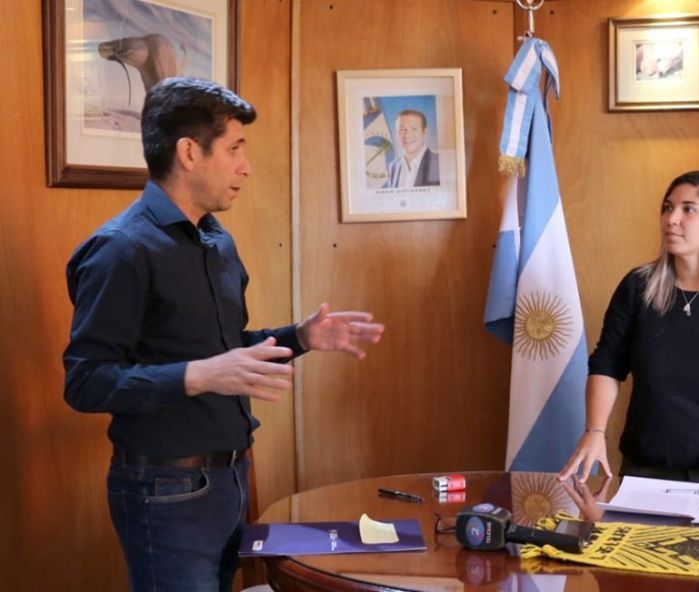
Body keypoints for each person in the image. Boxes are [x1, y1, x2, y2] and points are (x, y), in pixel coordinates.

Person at [63, 77, 386, 592]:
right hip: (163, 490)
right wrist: (198, 375)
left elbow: (224, 355)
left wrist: (301, 337)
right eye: (235, 149)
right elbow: (85, 382)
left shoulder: (217, 241)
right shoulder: (121, 249)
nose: (246, 166)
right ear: (190, 153)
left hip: (229, 479)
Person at [558, 170, 699, 487]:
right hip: (646, 469)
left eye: (688, 209)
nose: (671, 219)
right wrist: (595, 431)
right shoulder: (637, 287)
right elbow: (607, 364)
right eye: (667, 208)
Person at [385, 109, 439, 188]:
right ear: (396, 134)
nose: (407, 135)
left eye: (414, 129)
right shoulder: (393, 167)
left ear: (424, 131)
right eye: (401, 130)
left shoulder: (438, 164)